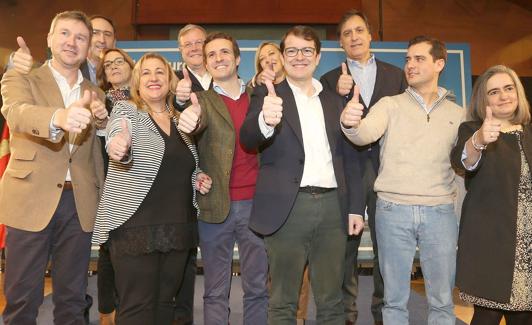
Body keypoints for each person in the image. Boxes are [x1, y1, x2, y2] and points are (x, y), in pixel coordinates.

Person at [239, 25, 364, 324]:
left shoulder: (335, 100)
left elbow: (350, 158)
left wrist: (356, 207)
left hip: (334, 208)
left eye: (307, 50)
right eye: (292, 50)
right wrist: (265, 121)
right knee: (283, 300)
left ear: (318, 57)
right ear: (282, 57)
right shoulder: (267, 94)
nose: (299, 57)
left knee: (332, 300)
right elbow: (246, 138)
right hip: (288, 208)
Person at [341, 35, 464, 325]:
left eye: (419, 59)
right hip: (393, 210)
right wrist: (350, 122)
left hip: (441, 213)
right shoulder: (389, 104)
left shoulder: (459, 114)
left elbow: (466, 162)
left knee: (443, 302)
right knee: (393, 302)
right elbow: (363, 135)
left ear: (439, 64)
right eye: (408, 59)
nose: (410, 65)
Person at [0, 10, 106, 324]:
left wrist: (103, 125)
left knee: (73, 300)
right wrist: (57, 118)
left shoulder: (96, 92)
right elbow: (17, 112)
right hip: (30, 199)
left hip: (79, 203)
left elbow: (96, 156)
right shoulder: (22, 77)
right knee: (22, 299)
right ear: (49, 39)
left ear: (88, 48)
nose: (71, 42)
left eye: (80, 37)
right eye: (64, 33)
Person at [91, 52, 211, 325]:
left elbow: (177, 166)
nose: (154, 77)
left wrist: (198, 177)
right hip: (135, 226)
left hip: (177, 227)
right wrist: (118, 145)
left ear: (170, 81)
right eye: (146, 72)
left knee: (165, 306)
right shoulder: (126, 111)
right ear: (137, 81)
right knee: (136, 309)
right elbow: (117, 133)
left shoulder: (181, 120)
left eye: (160, 72)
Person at [320, 10, 407, 324]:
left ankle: (384, 311)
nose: (354, 37)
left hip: (388, 170)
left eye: (359, 31)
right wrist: (337, 95)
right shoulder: (329, 80)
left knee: (388, 245)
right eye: (347, 33)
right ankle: (346, 313)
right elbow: (328, 128)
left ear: (371, 36)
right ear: (341, 43)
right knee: (346, 246)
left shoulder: (397, 75)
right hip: (347, 171)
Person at [178, 32, 268, 325]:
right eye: (211, 55)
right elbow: (186, 145)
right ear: (206, 63)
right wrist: (188, 121)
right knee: (215, 291)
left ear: (238, 58)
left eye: (224, 52)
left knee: (257, 288)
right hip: (214, 206)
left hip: (256, 205)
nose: (218, 58)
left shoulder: (261, 97)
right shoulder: (199, 101)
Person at [450, 65, 532, 325]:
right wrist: (479, 140)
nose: (503, 96)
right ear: (484, 100)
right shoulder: (472, 130)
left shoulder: (529, 133)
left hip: (527, 248)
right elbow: (463, 161)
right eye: (494, 92)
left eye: (508, 88)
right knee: (487, 316)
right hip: (491, 246)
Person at [93, 47, 135, 323]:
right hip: (113, 188)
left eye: (120, 61)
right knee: (110, 251)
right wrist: (103, 121)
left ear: (131, 65)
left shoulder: (149, 96)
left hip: (147, 187)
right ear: (104, 75)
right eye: (108, 65)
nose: (115, 66)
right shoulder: (100, 103)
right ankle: (108, 314)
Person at [11, 14, 116, 84]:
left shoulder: (122, 73)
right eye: (95, 33)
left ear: (115, 43)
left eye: (107, 34)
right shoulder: (68, 65)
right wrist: (16, 61)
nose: (102, 40)